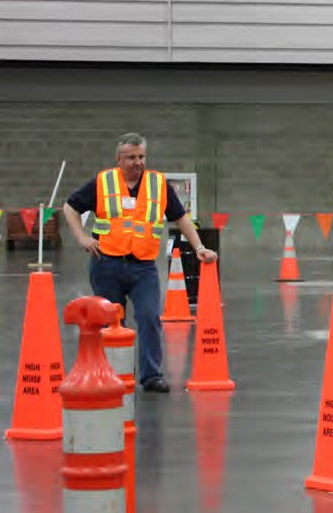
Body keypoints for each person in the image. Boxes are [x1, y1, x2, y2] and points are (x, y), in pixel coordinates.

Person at [63, 133, 219, 392]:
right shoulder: (104, 182)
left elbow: (180, 218)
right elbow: (70, 208)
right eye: (131, 157)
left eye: (141, 156)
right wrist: (82, 237)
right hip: (107, 263)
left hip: (143, 266)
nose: (137, 162)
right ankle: (113, 373)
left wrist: (199, 247)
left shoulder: (158, 185)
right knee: (110, 322)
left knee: (149, 317)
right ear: (119, 159)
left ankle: (151, 376)